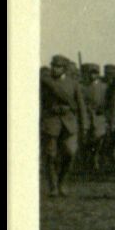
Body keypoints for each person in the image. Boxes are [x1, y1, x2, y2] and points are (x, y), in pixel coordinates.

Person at [40, 55, 88, 197]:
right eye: (53, 66)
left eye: (58, 67)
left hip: (69, 123)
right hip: (51, 121)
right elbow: (39, 102)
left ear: (64, 69)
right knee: (50, 155)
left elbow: (81, 105)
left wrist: (84, 124)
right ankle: (54, 186)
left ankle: (62, 181)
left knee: (70, 153)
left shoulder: (73, 84)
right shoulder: (45, 82)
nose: (54, 69)